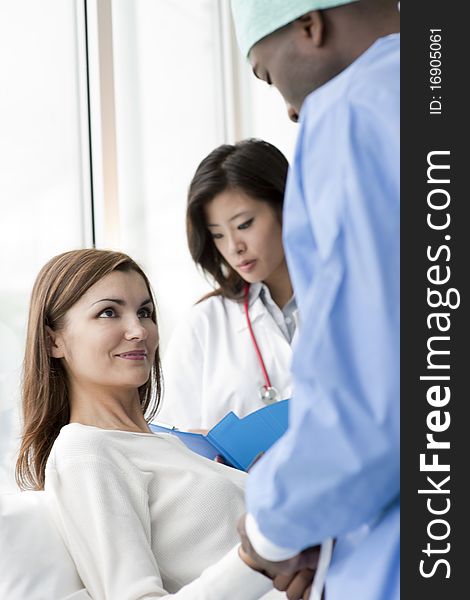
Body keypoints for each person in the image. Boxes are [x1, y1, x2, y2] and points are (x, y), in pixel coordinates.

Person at [15, 248, 310, 599]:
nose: (138, 330)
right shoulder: (85, 453)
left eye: (145, 312)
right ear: (53, 340)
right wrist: (255, 558)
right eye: (108, 312)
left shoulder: (175, 446)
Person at [229, 1, 400, 599]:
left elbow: (371, 408)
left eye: (269, 76)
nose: (293, 110)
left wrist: (268, 529)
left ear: (310, 24)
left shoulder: (352, 112)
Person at [157, 139, 296, 431]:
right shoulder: (204, 323)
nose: (234, 247)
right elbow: (173, 437)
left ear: (287, 207)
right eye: (218, 235)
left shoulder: (353, 300)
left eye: (244, 224)